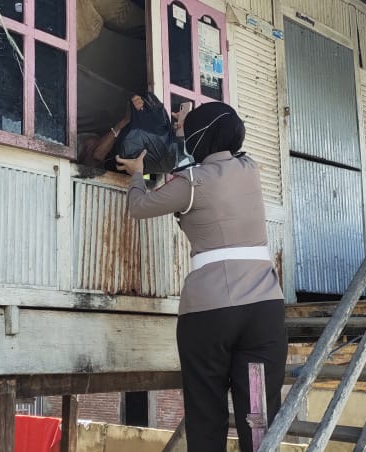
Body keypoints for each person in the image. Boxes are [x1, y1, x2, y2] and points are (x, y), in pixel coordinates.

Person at [116, 102, 287, 452]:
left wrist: (137, 173)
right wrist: (183, 131)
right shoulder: (249, 168)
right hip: (265, 310)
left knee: (206, 411)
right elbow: (198, 161)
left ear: (198, 139)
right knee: (259, 415)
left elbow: (140, 206)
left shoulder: (190, 183)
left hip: (210, 313)